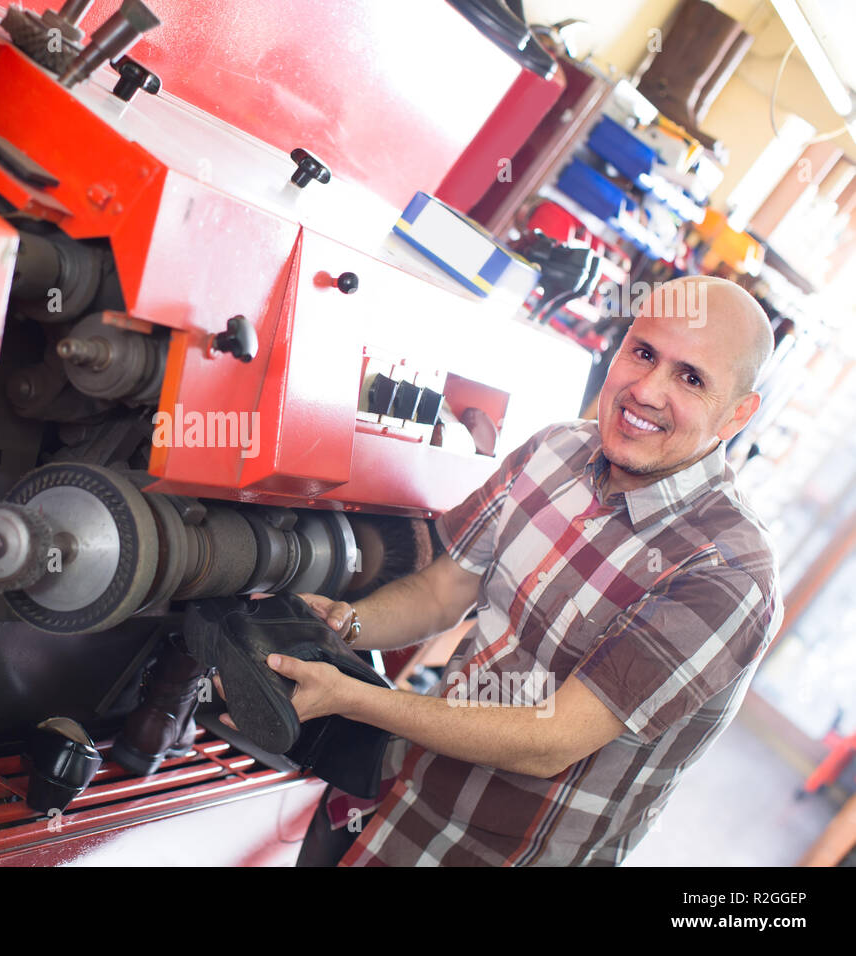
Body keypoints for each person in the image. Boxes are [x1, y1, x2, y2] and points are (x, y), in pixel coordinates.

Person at [237, 275, 783, 866]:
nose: (647, 391)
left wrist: (353, 698)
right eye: (644, 353)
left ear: (737, 414)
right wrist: (347, 624)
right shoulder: (556, 452)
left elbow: (551, 741)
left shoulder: (726, 573)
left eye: (692, 378)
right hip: (391, 801)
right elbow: (445, 591)